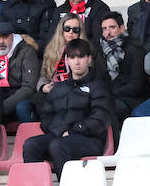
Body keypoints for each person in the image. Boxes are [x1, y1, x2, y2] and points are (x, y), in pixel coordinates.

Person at [22, 39, 112, 174]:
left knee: (58, 146)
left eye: (81, 57)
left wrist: (74, 131)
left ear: (89, 59)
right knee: (31, 145)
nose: (77, 62)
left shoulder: (99, 86)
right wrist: (59, 131)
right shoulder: (59, 87)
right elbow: (46, 116)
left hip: (90, 139)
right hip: (59, 136)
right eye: (72, 57)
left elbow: (100, 119)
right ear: (67, 60)